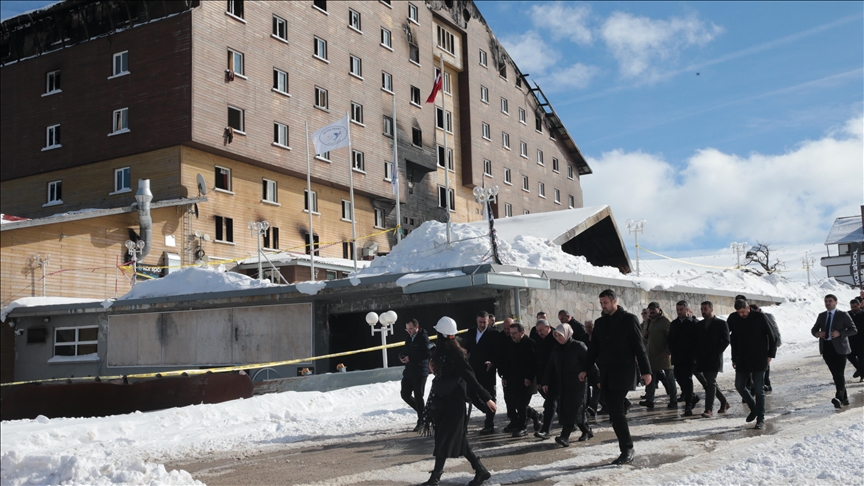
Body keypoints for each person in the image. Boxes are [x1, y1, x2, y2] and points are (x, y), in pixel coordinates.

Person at [420, 316, 497, 486]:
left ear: (441, 334)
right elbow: (441, 371)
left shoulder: (456, 353)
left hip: (454, 404)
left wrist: (487, 398)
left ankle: (435, 478)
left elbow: (470, 378)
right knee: (460, 442)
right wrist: (434, 367)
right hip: (443, 401)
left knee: (443, 439)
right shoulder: (441, 352)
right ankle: (480, 470)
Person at [579, 289, 652, 465]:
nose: (603, 306)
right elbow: (593, 350)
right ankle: (626, 442)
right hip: (606, 373)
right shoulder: (600, 323)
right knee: (613, 409)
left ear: (614, 301)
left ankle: (627, 449)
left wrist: (646, 371)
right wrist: (585, 369)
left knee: (616, 412)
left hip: (623, 371)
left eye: (605, 302)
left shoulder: (629, 319)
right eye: (601, 303)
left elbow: (639, 347)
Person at [544, 323, 598, 446]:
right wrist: (545, 381)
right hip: (563, 385)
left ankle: (564, 437)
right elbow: (550, 366)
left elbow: (590, 363)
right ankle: (587, 431)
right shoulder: (556, 349)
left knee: (572, 410)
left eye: (561, 335)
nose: (558, 338)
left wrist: (598, 380)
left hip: (577, 385)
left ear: (567, 333)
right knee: (574, 411)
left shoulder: (578, 346)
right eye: (556, 336)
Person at [729, 299, 776, 429]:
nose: (741, 315)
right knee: (739, 385)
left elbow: (772, 336)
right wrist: (734, 358)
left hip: (759, 358)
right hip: (742, 358)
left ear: (748, 308)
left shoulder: (760, 317)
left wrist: (770, 355)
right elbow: (734, 340)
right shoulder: (734, 318)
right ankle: (754, 408)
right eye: (739, 312)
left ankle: (760, 418)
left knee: (759, 389)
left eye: (743, 312)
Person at [810, 294, 858, 408]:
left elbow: (853, 330)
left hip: (840, 348)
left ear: (836, 302)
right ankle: (845, 398)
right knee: (835, 374)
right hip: (827, 348)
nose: (828, 303)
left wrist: (840, 333)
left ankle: (839, 398)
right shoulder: (822, 316)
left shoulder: (843, 315)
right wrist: (818, 333)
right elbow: (814, 329)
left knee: (839, 373)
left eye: (830, 301)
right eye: (826, 301)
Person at [499, 321, 541, 437]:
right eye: (511, 333)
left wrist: (529, 377)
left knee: (522, 405)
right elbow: (507, 362)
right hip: (514, 380)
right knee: (515, 403)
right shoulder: (511, 344)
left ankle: (523, 427)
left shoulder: (530, 343)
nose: (512, 335)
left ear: (522, 332)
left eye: (515, 333)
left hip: (527, 380)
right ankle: (535, 415)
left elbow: (533, 364)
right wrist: (505, 377)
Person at [463, 311, 500, 434]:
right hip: (473, 368)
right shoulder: (471, 331)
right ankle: (488, 411)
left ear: (488, 321)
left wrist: (492, 362)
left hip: (487, 369)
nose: (482, 324)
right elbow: (466, 347)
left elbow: (498, 352)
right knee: (471, 393)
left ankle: (489, 424)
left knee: (489, 394)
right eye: (480, 322)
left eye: (484, 322)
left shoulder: (494, 334)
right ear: (476, 321)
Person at [695, 301, 730, 418]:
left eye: (705, 309)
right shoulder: (699, 325)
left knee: (710, 382)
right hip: (703, 359)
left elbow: (726, 340)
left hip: (714, 358)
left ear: (711, 309)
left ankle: (708, 410)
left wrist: (717, 352)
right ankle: (724, 401)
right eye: (702, 309)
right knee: (710, 382)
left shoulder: (721, 323)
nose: (703, 311)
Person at [640, 302, 677, 410]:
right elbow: (646, 337)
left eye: (653, 309)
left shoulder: (666, 321)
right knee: (651, 378)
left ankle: (673, 400)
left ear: (659, 309)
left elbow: (672, 338)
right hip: (652, 355)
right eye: (650, 309)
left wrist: (668, 351)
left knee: (670, 379)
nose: (651, 311)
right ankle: (650, 400)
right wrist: (645, 337)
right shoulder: (648, 321)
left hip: (664, 355)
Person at [668, 301, 700, 416]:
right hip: (677, 357)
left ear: (687, 310)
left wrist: (695, 355)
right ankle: (693, 397)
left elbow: (697, 340)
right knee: (679, 378)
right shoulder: (674, 324)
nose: (679, 312)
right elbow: (670, 339)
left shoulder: (693, 323)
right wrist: (671, 350)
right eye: (677, 309)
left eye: (681, 309)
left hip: (689, 357)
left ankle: (688, 406)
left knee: (687, 380)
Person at [400, 318, 432, 432]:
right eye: (407, 329)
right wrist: (402, 356)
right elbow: (405, 350)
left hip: (420, 371)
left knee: (419, 396)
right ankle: (425, 414)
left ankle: (422, 420)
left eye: (411, 329)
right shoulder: (409, 337)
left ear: (417, 327)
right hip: (409, 371)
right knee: (405, 394)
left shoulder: (423, 337)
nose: (409, 331)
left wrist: (411, 358)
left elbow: (427, 353)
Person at [532, 318, 558, 439]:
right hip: (544, 378)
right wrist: (539, 380)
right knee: (553, 403)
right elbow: (537, 362)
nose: (540, 333)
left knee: (550, 404)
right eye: (538, 331)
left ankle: (546, 430)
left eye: (542, 330)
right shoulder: (538, 340)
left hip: (557, 377)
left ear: (548, 328)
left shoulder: (556, 339)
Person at [846, 298, 864, 382]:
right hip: (851, 339)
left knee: (861, 358)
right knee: (850, 355)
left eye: (855, 306)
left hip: (861, 339)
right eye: (852, 307)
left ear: (859, 305)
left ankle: (862, 376)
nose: (854, 308)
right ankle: (859, 369)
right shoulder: (847, 314)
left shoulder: (863, 314)